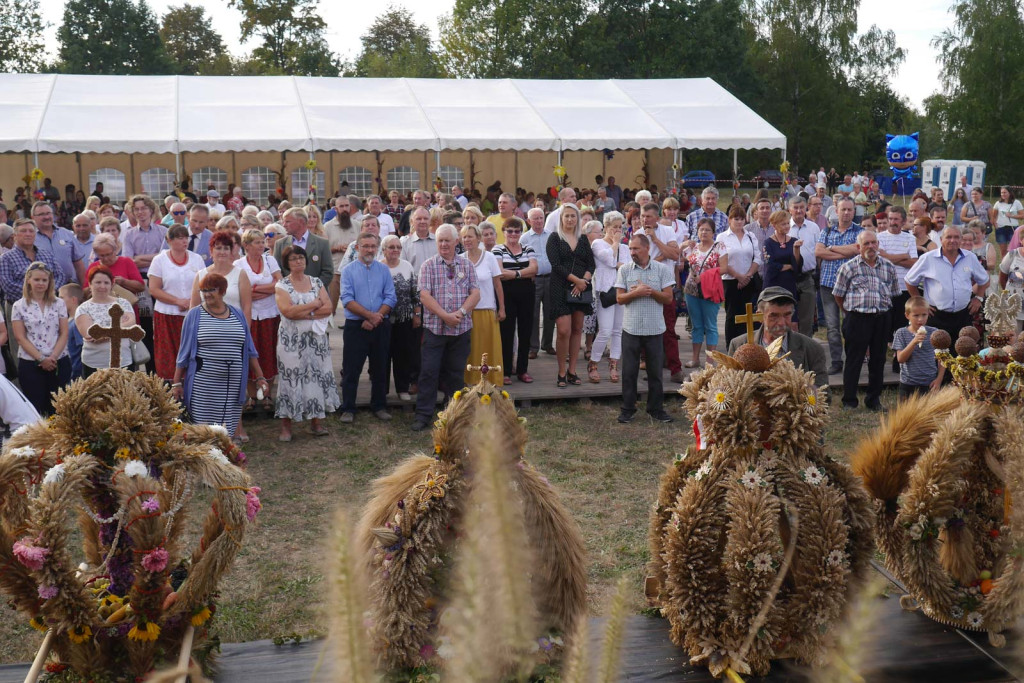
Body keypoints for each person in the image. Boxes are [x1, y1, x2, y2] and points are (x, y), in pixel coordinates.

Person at [172, 273, 267, 440]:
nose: (207, 294)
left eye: (211, 290)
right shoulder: (194, 315)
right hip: (204, 384)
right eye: (203, 290)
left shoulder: (238, 314)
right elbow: (183, 353)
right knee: (203, 431)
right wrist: (177, 382)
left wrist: (260, 377)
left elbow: (249, 350)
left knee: (226, 429)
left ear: (222, 291)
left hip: (232, 384)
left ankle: (226, 461)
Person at [411, 224, 480, 432]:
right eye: (440, 240)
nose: (443, 244)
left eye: (447, 240)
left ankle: (455, 416)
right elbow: (424, 295)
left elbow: (475, 293)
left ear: (456, 242)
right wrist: (445, 316)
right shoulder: (428, 266)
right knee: (429, 372)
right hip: (435, 330)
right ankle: (423, 415)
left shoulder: (467, 265)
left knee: (456, 374)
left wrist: (460, 313)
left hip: (461, 330)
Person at [274, 245, 339, 441]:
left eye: (301, 258)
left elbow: (328, 308)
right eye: (293, 259)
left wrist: (305, 312)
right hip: (291, 341)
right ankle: (286, 426)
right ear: (287, 263)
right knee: (290, 378)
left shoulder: (316, 281)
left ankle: (316, 422)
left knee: (315, 377)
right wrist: (313, 305)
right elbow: (288, 312)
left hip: (315, 341)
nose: (298, 262)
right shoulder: (282, 285)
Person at [831, 230, 899, 411]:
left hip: (882, 318)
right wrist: (850, 312)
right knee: (854, 359)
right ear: (858, 247)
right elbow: (838, 295)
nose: (870, 247)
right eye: (866, 243)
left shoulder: (888, 267)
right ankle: (849, 401)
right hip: (857, 318)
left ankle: (873, 400)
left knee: (878, 359)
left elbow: (894, 293)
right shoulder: (848, 267)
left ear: (878, 244)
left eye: (873, 243)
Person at [614, 234, 676, 424]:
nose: (631, 252)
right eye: (630, 249)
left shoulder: (662, 269)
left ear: (647, 249)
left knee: (656, 372)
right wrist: (636, 292)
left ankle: (656, 409)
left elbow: (668, 298)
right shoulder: (624, 270)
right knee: (629, 371)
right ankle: (627, 409)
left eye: (635, 249)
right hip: (631, 328)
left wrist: (650, 291)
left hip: (654, 329)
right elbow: (619, 298)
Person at [338, 232, 397, 424]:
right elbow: (347, 300)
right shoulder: (348, 271)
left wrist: (375, 317)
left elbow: (390, 297)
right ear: (357, 248)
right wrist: (369, 316)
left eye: (373, 246)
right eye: (365, 246)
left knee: (380, 368)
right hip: (356, 326)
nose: (370, 250)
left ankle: (379, 406)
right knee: (351, 369)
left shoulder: (384, 270)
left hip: (380, 325)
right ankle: (348, 407)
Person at [906, 226, 990, 356]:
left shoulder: (970, 257)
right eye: (949, 237)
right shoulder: (928, 258)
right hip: (937, 315)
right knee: (937, 355)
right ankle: (940, 377)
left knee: (963, 355)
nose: (952, 240)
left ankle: (958, 377)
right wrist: (921, 303)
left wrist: (978, 298)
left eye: (956, 237)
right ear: (941, 239)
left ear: (961, 239)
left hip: (963, 314)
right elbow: (910, 281)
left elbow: (984, 280)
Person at [727, 286, 828, 390]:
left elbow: (823, 394)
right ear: (760, 316)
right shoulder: (739, 345)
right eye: (774, 316)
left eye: (787, 315)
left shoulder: (812, 349)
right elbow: (728, 388)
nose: (781, 322)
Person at [0, 219, 65, 362]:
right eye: (23, 231)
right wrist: (35, 295)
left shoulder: (46, 255)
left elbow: (60, 275)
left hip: (48, 306)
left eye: (31, 231)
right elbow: (7, 285)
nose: (28, 234)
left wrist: (48, 293)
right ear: (14, 236)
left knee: (51, 343)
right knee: (22, 348)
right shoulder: (6, 259)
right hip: (19, 308)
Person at [148, 224, 206, 381]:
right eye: (180, 238)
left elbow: (203, 285)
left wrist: (191, 303)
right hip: (166, 315)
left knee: (192, 352)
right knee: (167, 354)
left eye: (186, 237)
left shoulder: (197, 259)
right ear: (169, 240)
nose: (184, 241)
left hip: (192, 313)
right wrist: (177, 301)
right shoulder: (159, 260)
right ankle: (171, 391)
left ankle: (192, 388)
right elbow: (154, 289)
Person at [12, 261, 70, 414]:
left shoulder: (59, 303)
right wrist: (41, 359)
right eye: (37, 279)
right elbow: (20, 337)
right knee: (35, 409)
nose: (41, 283)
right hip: (31, 362)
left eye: (44, 280)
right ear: (28, 280)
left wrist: (53, 357)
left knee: (59, 409)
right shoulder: (19, 306)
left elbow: (64, 332)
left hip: (58, 360)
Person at [546, 203, 595, 387]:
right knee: (564, 330)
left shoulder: (583, 239)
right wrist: (577, 281)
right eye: (566, 216)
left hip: (581, 288)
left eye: (573, 216)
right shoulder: (554, 238)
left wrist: (584, 282)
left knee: (577, 329)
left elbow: (591, 264)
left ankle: (572, 371)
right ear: (561, 218)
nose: (569, 219)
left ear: (578, 219)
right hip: (560, 287)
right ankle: (561, 371)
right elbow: (556, 265)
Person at [815, 197, 862, 374]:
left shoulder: (860, 231)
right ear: (837, 211)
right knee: (833, 326)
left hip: (852, 287)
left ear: (854, 211)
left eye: (850, 209)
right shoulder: (826, 231)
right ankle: (836, 361)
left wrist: (832, 249)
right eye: (843, 209)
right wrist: (844, 252)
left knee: (851, 325)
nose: (846, 212)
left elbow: (858, 250)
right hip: (828, 285)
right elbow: (818, 252)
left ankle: (852, 360)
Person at [235, 228, 281, 411]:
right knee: (249, 353)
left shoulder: (270, 260)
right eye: (257, 242)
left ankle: (267, 393)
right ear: (246, 245)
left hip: (270, 313)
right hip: (248, 315)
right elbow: (239, 290)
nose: (262, 245)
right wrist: (267, 289)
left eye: (263, 241)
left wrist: (254, 290)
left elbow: (280, 283)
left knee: (269, 352)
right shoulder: (238, 264)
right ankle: (252, 396)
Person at [493, 216, 538, 383]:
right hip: (507, 294)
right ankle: (505, 371)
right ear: (504, 232)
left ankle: (522, 370)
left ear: (521, 233)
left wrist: (514, 274)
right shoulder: (498, 249)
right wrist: (523, 272)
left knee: (525, 331)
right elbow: (499, 272)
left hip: (527, 293)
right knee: (506, 332)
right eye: (509, 231)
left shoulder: (528, 248)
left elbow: (535, 268)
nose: (513, 234)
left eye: (517, 231)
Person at [459, 224, 504, 384]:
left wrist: (502, 308)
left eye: (470, 236)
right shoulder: (460, 259)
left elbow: (498, 284)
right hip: (467, 313)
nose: (467, 240)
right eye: (464, 237)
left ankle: (492, 381)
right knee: (470, 349)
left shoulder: (489, 257)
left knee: (488, 349)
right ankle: (470, 381)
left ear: (478, 238)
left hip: (486, 311)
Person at [589, 212, 630, 380]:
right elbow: (608, 260)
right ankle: (593, 363)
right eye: (614, 227)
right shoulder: (597, 243)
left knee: (617, 330)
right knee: (604, 330)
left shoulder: (625, 248)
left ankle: (614, 365)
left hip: (621, 290)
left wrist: (618, 262)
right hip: (605, 291)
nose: (618, 230)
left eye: (620, 227)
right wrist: (614, 243)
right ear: (605, 227)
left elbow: (627, 267)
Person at [74, 266, 135, 376]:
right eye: (98, 282)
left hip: (123, 361)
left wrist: (103, 333)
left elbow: (131, 324)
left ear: (112, 284)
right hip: (94, 364)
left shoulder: (123, 303)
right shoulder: (83, 308)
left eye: (106, 283)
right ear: (90, 284)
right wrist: (120, 328)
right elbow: (90, 334)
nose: (102, 286)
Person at [717, 204, 763, 347]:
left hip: (749, 280)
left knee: (751, 315)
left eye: (742, 219)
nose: (739, 222)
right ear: (730, 220)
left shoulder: (750, 236)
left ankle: (751, 346)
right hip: (731, 281)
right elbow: (721, 260)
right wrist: (738, 276)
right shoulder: (722, 237)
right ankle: (732, 346)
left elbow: (757, 258)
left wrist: (747, 276)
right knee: (733, 316)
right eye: (736, 219)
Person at [381, 234, 420, 402]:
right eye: (391, 247)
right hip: (382, 319)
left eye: (398, 247)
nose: (395, 250)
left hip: (404, 318)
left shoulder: (407, 266)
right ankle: (381, 390)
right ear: (383, 250)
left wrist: (417, 314)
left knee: (403, 354)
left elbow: (415, 293)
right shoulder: (377, 267)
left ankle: (402, 388)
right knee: (382, 354)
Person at [682, 217, 725, 368]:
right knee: (696, 325)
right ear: (697, 232)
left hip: (710, 290)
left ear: (713, 232)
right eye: (701, 229)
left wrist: (705, 276)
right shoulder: (693, 247)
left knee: (711, 325)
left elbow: (724, 268)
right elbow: (678, 256)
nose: (704, 232)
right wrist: (684, 244)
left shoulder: (719, 247)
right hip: (691, 290)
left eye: (707, 229)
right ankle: (695, 358)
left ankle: (710, 361)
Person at [190, 231, 253, 328]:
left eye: (226, 248)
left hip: (233, 329)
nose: (222, 252)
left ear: (231, 252)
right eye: (218, 248)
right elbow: (194, 308)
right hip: (206, 330)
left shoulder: (241, 274)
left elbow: (247, 307)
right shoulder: (201, 275)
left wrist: (245, 332)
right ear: (211, 251)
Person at [892, 296, 943, 399]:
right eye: (916, 315)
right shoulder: (901, 333)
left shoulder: (934, 332)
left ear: (928, 313)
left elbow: (942, 359)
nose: (920, 319)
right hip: (908, 384)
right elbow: (901, 359)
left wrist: (939, 380)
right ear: (907, 315)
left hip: (929, 382)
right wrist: (914, 342)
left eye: (924, 315)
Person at [272, 206, 334, 291]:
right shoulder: (280, 244)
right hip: (290, 298)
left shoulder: (322, 243)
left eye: (288, 221)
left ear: (300, 222)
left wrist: (311, 290)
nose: (284, 225)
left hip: (317, 297)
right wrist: (291, 290)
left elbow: (328, 272)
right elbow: (277, 272)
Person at [761, 209, 802, 329]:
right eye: (783, 224)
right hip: (773, 284)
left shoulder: (794, 241)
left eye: (787, 223)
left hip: (789, 284)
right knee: (771, 320)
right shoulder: (768, 243)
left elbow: (797, 265)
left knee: (792, 322)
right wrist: (788, 266)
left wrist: (796, 250)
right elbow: (770, 264)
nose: (787, 226)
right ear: (774, 225)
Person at [521, 207, 553, 358]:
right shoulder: (524, 238)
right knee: (533, 314)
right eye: (535, 218)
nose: (539, 221)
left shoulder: (552, 236)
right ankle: (533, 347)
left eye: (541, 218)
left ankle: (547, 344)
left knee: (550, 312)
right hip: (534, 280)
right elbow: (521, 259)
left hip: (551, 278)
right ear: (528, 221)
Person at [30, 201, 87, 286]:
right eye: (41, 214)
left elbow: (78, 264)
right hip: (43, 288)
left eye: (48, 213)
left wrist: (84, 287)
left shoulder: (67, 234)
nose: (46, 217)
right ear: (33, 218)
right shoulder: (30, 238)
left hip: (69, 287)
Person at [58, 283, 83, 380]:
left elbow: (81, 349)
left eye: (62, 298)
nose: (59, 301)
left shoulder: (77, 322)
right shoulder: (69, 321)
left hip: (75, 374)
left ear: (73, 300)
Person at [991, 186, 1023, 257]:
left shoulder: (1016, 203)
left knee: (1014, 250)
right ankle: (1004, 266)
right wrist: (996, 226)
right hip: (1001, 229)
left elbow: (1022, 216)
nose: (1003, 194)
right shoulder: (998, 203)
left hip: (1013, 229)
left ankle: (1014, 265)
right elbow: (993, 216)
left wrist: (1012, 216)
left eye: (1005, 192)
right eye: (1002, 193)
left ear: (1010, 193)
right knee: (1003, 251)